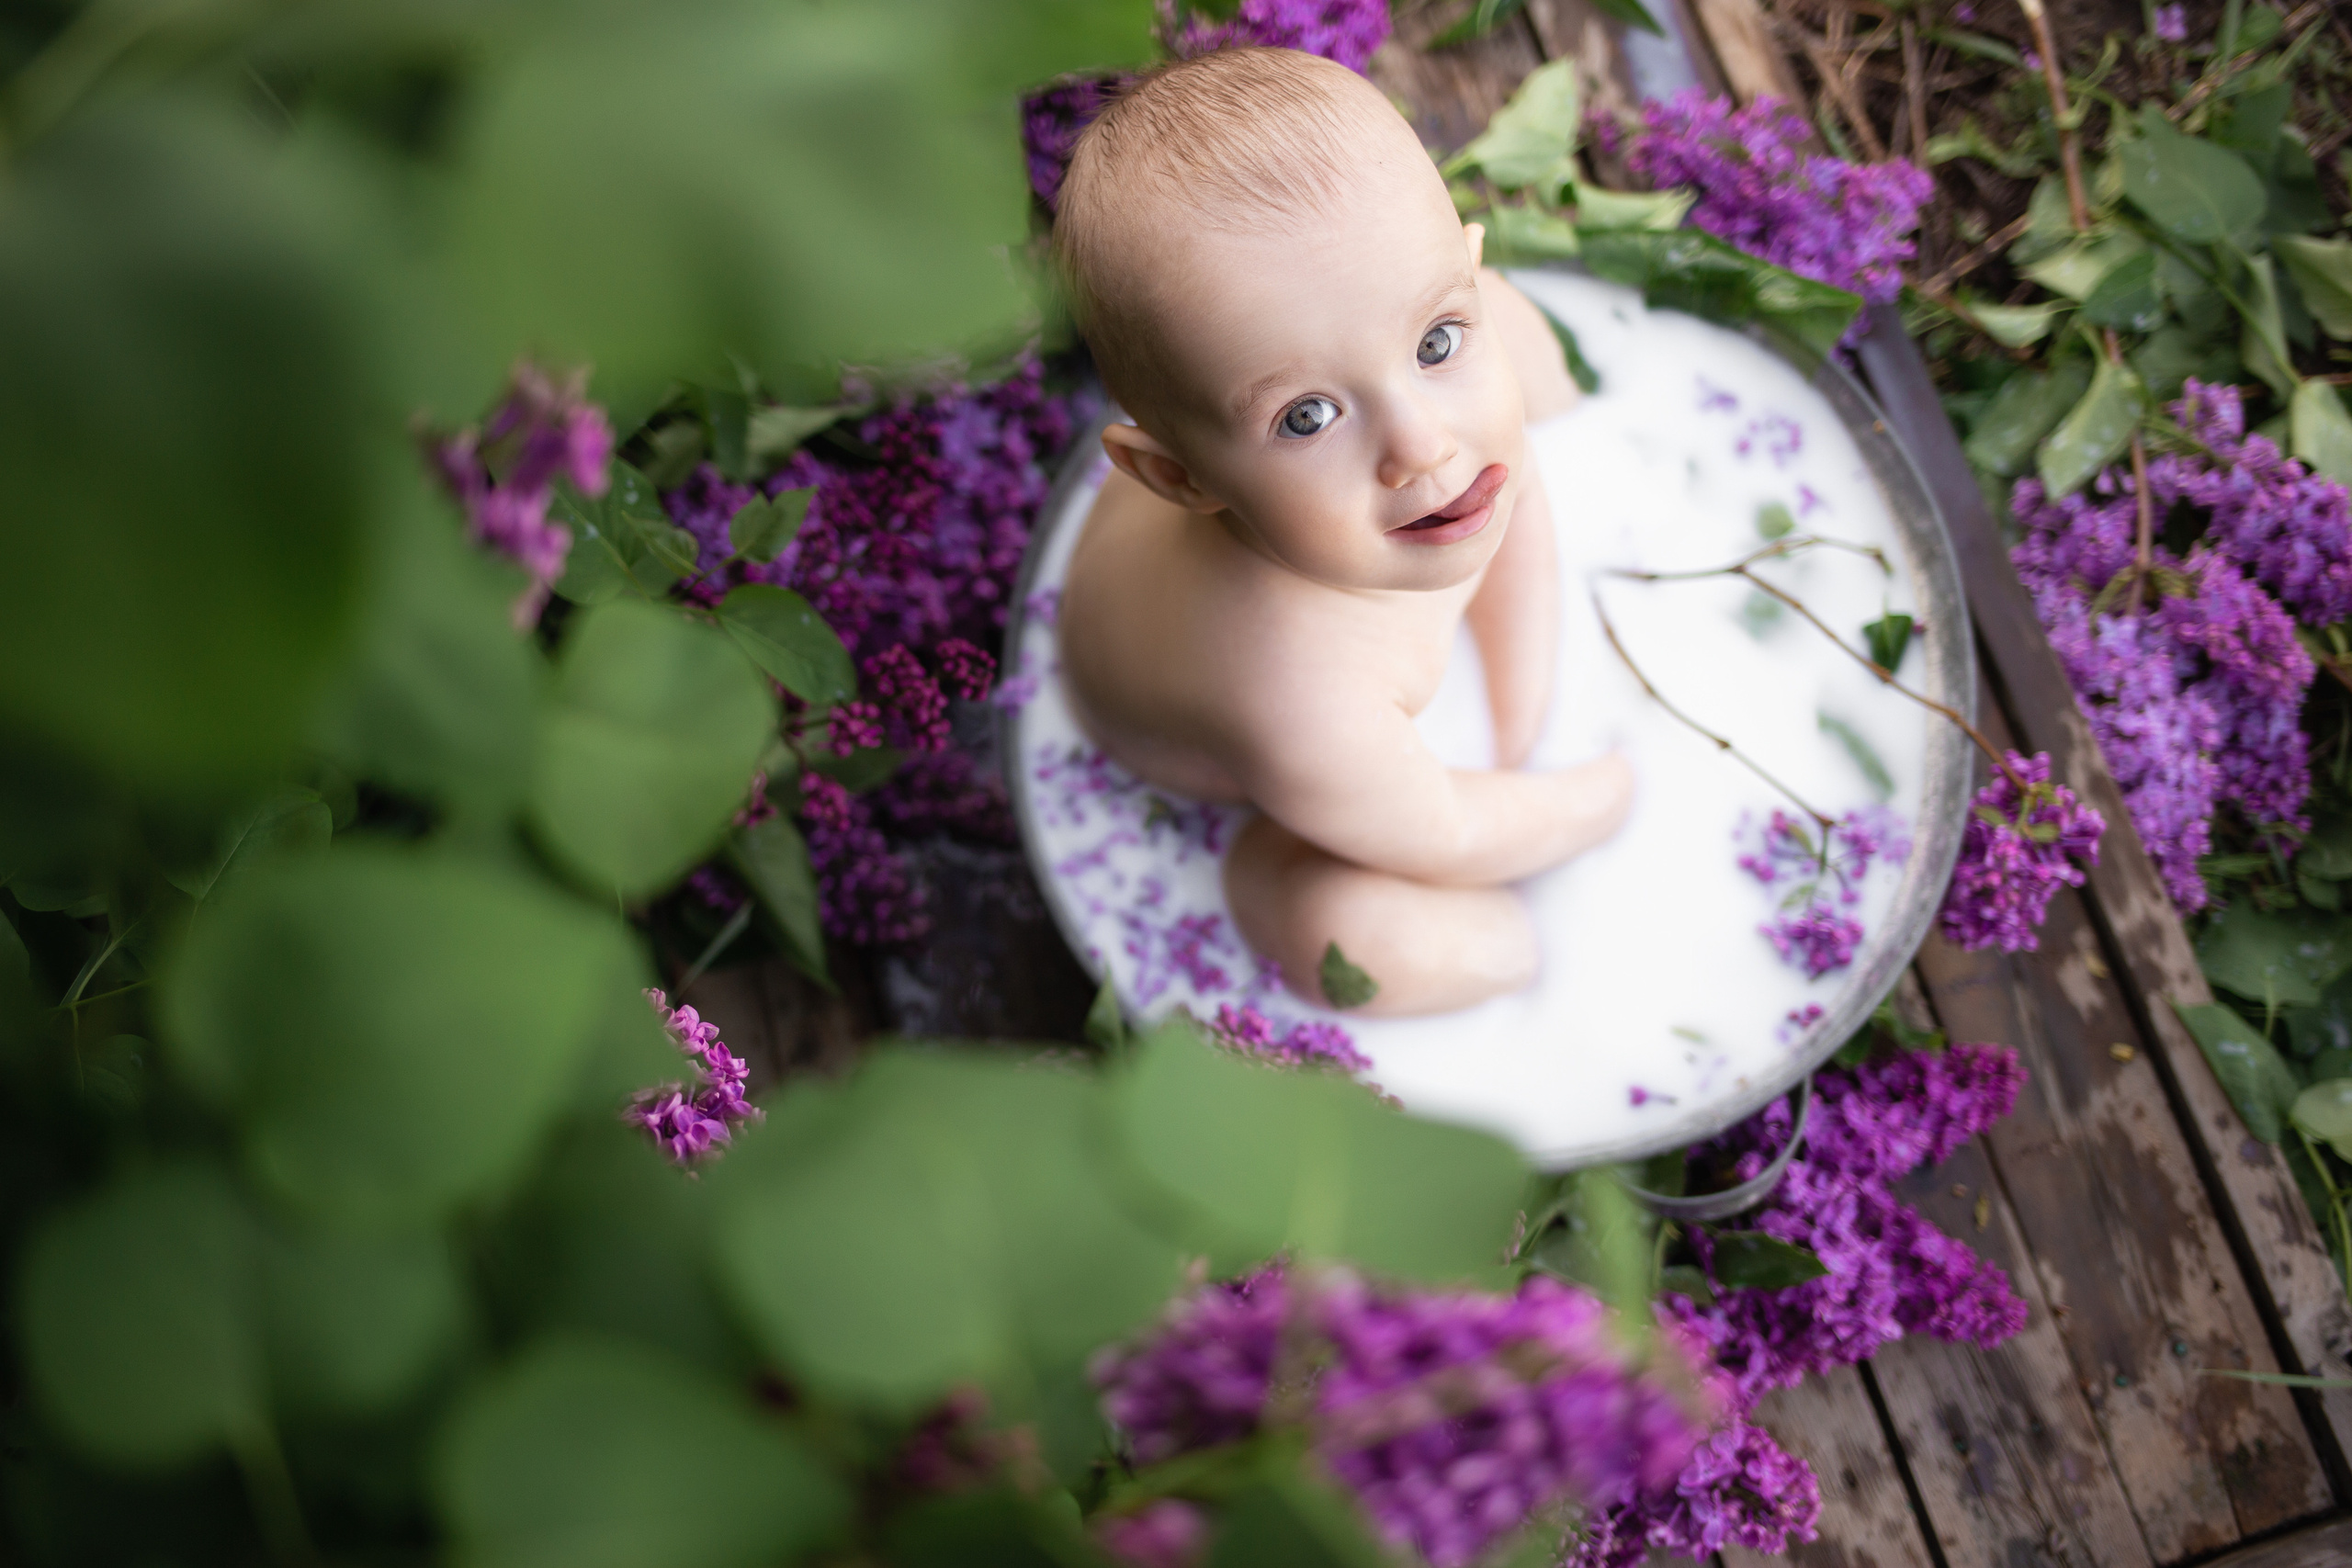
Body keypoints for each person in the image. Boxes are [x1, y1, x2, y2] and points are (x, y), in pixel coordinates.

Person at [1055, 47, 1633, 1017]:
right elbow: (1445, 827)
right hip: (1276, 784)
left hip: (1288, 556)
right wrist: (1614, 790)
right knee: (1387, 946)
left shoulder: (1422, 443)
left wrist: (1519, 702)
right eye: (1307, 418)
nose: (1420, 443)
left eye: (1436, 340)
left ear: (1467, 260)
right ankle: (1264, 880)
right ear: (1177, 478)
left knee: (1515, 346)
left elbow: (1508, 487)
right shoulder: (1292, 689)